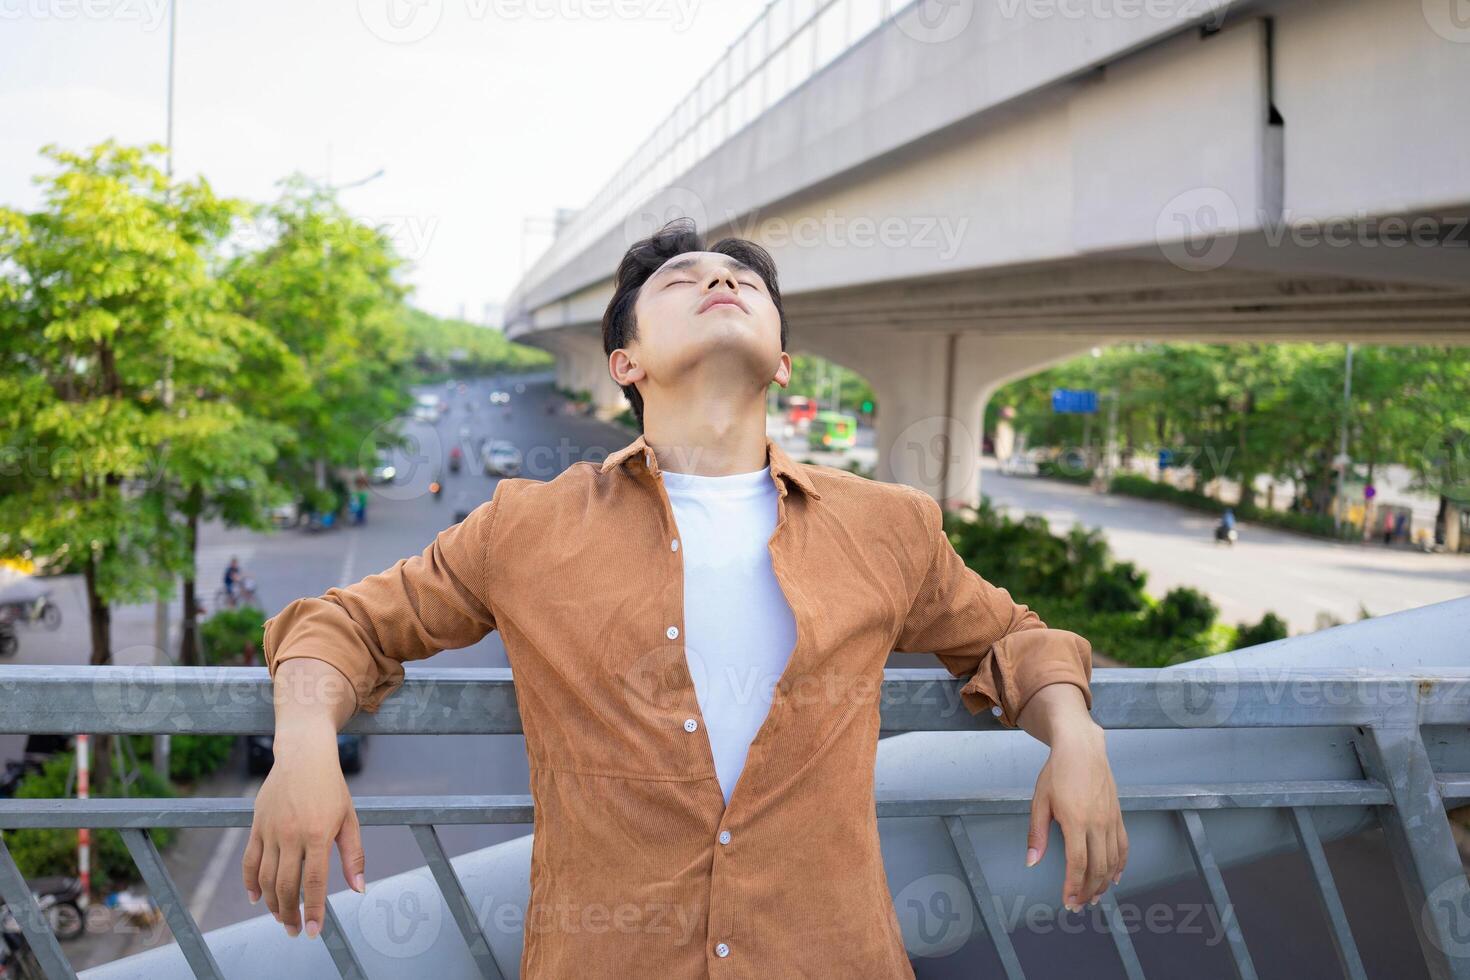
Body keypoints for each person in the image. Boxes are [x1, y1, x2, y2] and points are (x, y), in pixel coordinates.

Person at [248, 219, 1124, 976]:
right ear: (624, 361)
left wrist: (1075, 735)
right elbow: (344, 625)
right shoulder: (528, 528)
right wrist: (303, 745)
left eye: (744, 279)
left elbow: (1010, 640)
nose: (719, 279)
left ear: (782, 362)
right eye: (682, 278)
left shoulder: (886, 528)